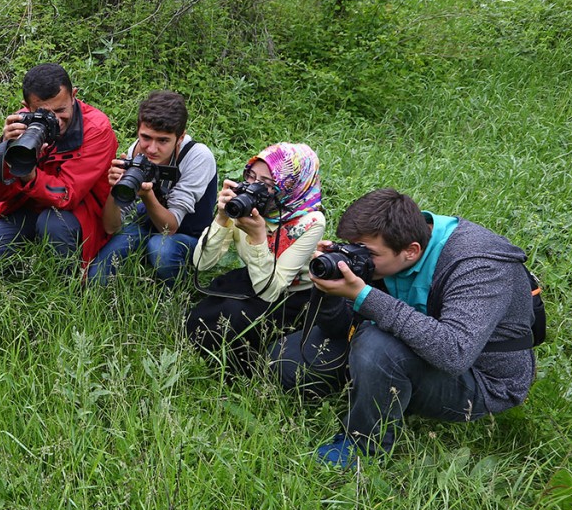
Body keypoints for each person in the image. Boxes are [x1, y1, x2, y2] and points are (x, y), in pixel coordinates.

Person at [268, 189, 537, 467]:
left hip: (481, 377)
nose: (361, 258)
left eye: (368, 253)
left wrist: (365, 296)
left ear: (412, 251)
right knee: (287, 359)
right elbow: (339, 327)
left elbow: (455, 353)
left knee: (377, 347)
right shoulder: (389, 248)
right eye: (353, 247)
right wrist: (330, 290)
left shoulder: (478, 266)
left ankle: (364, 446)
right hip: (409, 346)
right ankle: (377, 387)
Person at [184, 142, 325, 368]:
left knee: (234, 322)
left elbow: (271, 292)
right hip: (255, 275)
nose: (252, 188)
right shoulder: (243, 202)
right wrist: (221, 218)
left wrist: (258, 236)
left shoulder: (310, 222)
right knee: (202, 316)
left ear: (290, 186)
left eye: (266, 184)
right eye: (250, 176)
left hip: (290, 293)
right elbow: (202, 263)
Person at [0, 63, 117, 266]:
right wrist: (4, 147)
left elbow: (68, 195)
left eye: (61, 110)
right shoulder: (22, 123)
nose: (55, 120)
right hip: (27, 205)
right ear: (27, 107)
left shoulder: (96, 129)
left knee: (52, 223)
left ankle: (67, 284)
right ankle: (18, 288)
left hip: (80, 211)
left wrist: (30, 175)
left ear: (74, 96)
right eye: (44, 113)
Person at [87, 90, 218, 284]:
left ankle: (176, 290)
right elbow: (111, 226)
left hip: (190, 234)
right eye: (146, 137)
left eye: (163, 140)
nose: (152, 149)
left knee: (161, 248)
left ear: (180, 138)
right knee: (97, 277)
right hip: (148, 224)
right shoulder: (137, 150)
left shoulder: (198, 157)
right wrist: (116, 191)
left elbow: (170, 229)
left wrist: (147, 194)